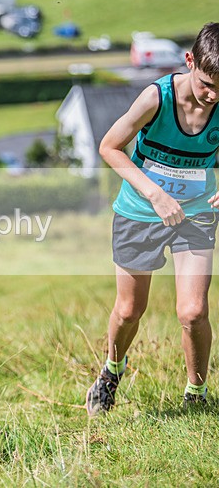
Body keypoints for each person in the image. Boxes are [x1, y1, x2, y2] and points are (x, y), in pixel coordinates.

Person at [86, 22, 219, 415]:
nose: (213, 95)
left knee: (193, 311)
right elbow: (109, 147)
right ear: (189, 61)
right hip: (140, 210)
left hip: (196, 213)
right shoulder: (156, 98)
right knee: (129, 310)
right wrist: (155, 194)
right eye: (207, 84)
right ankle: (111, 372)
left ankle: (196, 395)